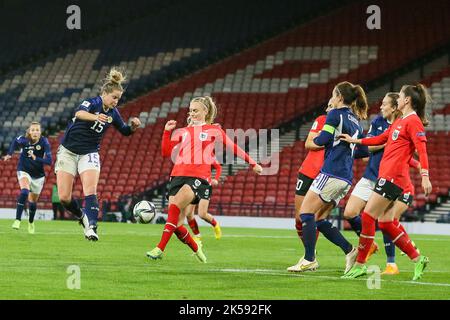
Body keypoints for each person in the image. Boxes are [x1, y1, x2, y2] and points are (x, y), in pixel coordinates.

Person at [147, 96, 262, 262]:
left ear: (205, 111)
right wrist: (167, 131)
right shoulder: (184, 131)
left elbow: (233, 147)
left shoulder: (213, 130)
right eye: (190, 110)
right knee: (178, 224)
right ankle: (196, 248)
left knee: (175, 206)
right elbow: (165, 152)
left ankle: (159, 248)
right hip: (177, 175)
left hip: (197, 178)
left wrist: (253, 163)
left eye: (195, 110)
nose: (192, 113)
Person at [340, 84, 431, 281]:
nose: (397, 99)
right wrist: (354, 141)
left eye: (399, 96)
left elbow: (422, 150)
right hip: (386, 176)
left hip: (393, 178)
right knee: (385, 221)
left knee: (368, 216)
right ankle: (418, 258)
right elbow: (380, 139)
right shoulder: (399, 122)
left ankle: (360, 264)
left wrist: (425, 175)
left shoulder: (413, 121)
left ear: (406, 100)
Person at [55, 67, 141, 241]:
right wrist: (95, 117)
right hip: (68, 152)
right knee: (64, 197)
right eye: (114, 97)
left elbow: (124, 130)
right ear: (104, 93)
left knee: (90, 191)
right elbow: (78, 113)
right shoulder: (92, 103)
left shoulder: (113, 113)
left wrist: (132, 127)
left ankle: (92, 227)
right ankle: (82, 217)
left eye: (119, 98)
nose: (116, 101)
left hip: (89, 152)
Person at [295, 81, 369, 273]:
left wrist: (320, 138)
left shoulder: (334, 114)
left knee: (305, 213)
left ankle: (309, 259)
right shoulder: (356, 122)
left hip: (331, 172)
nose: (332, 98)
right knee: (319, 218)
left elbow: (323, 139)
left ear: (339, 98)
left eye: (333, 95)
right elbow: (360, 152)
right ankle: (350, 250)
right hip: (345, 177)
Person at [343, 93, 403, 260]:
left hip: (387, 180)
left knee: (385, 222)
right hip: (370, 175)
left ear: (394, 107)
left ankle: (391, 263)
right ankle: (370, 243)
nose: (381, 107)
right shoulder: (378, 121)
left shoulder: (402, 125)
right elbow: (368, 148)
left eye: (384, 104)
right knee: (349, 212)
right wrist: (384, 143)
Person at [287, 102, 334, 272]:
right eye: (327, 105)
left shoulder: (345, 125)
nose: (327, 108)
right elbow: (309, 143)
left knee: (314, 218)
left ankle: (310, 258)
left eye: (331, 105)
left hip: (328, 175)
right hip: (308, 172)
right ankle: (311, 253)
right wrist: (330, 143)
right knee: (299, 220)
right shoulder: (322, 120)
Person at [4, 122, 52, 234]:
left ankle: (31, 222)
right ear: (29, 132)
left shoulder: (44, 142)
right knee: (24, 191)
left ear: (40, 132)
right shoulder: (24, 140)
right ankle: (17, 219)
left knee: (32, 202)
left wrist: (37, 159)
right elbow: (15, 141)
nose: (35, 132)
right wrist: (10, 154)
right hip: (24, 170)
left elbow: (49, 161)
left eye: (37, 130)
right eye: (33, 130)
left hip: (38, 175)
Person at [186, 158, 222, 242]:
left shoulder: (208, 154)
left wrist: (216, 179)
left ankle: (215, 225)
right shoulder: (192, 153)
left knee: (202, 214)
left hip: (205, 185)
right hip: (193, 184)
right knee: (188, 214)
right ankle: (197, 235)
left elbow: (218, 167)